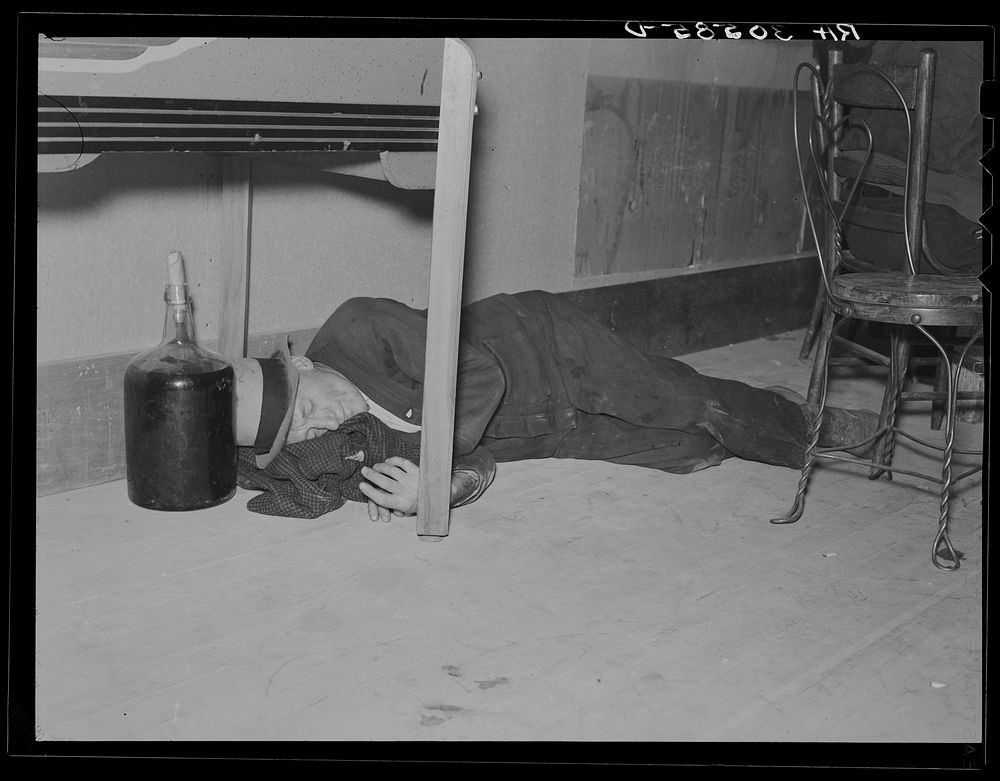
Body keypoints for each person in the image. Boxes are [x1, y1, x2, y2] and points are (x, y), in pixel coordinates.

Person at [233, 290, 879, 522]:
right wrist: (430, 493)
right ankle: (756, 406)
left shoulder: (359, 325)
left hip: (545, 345)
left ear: (302, 365)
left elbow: (476, 371)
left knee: (687, 403)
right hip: (546, 431)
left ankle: (809, 426)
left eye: (305, 405)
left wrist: (430, 463)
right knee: (691, 451)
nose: (322, 424)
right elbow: (479, 464)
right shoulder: (356, 433)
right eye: (304, 433)